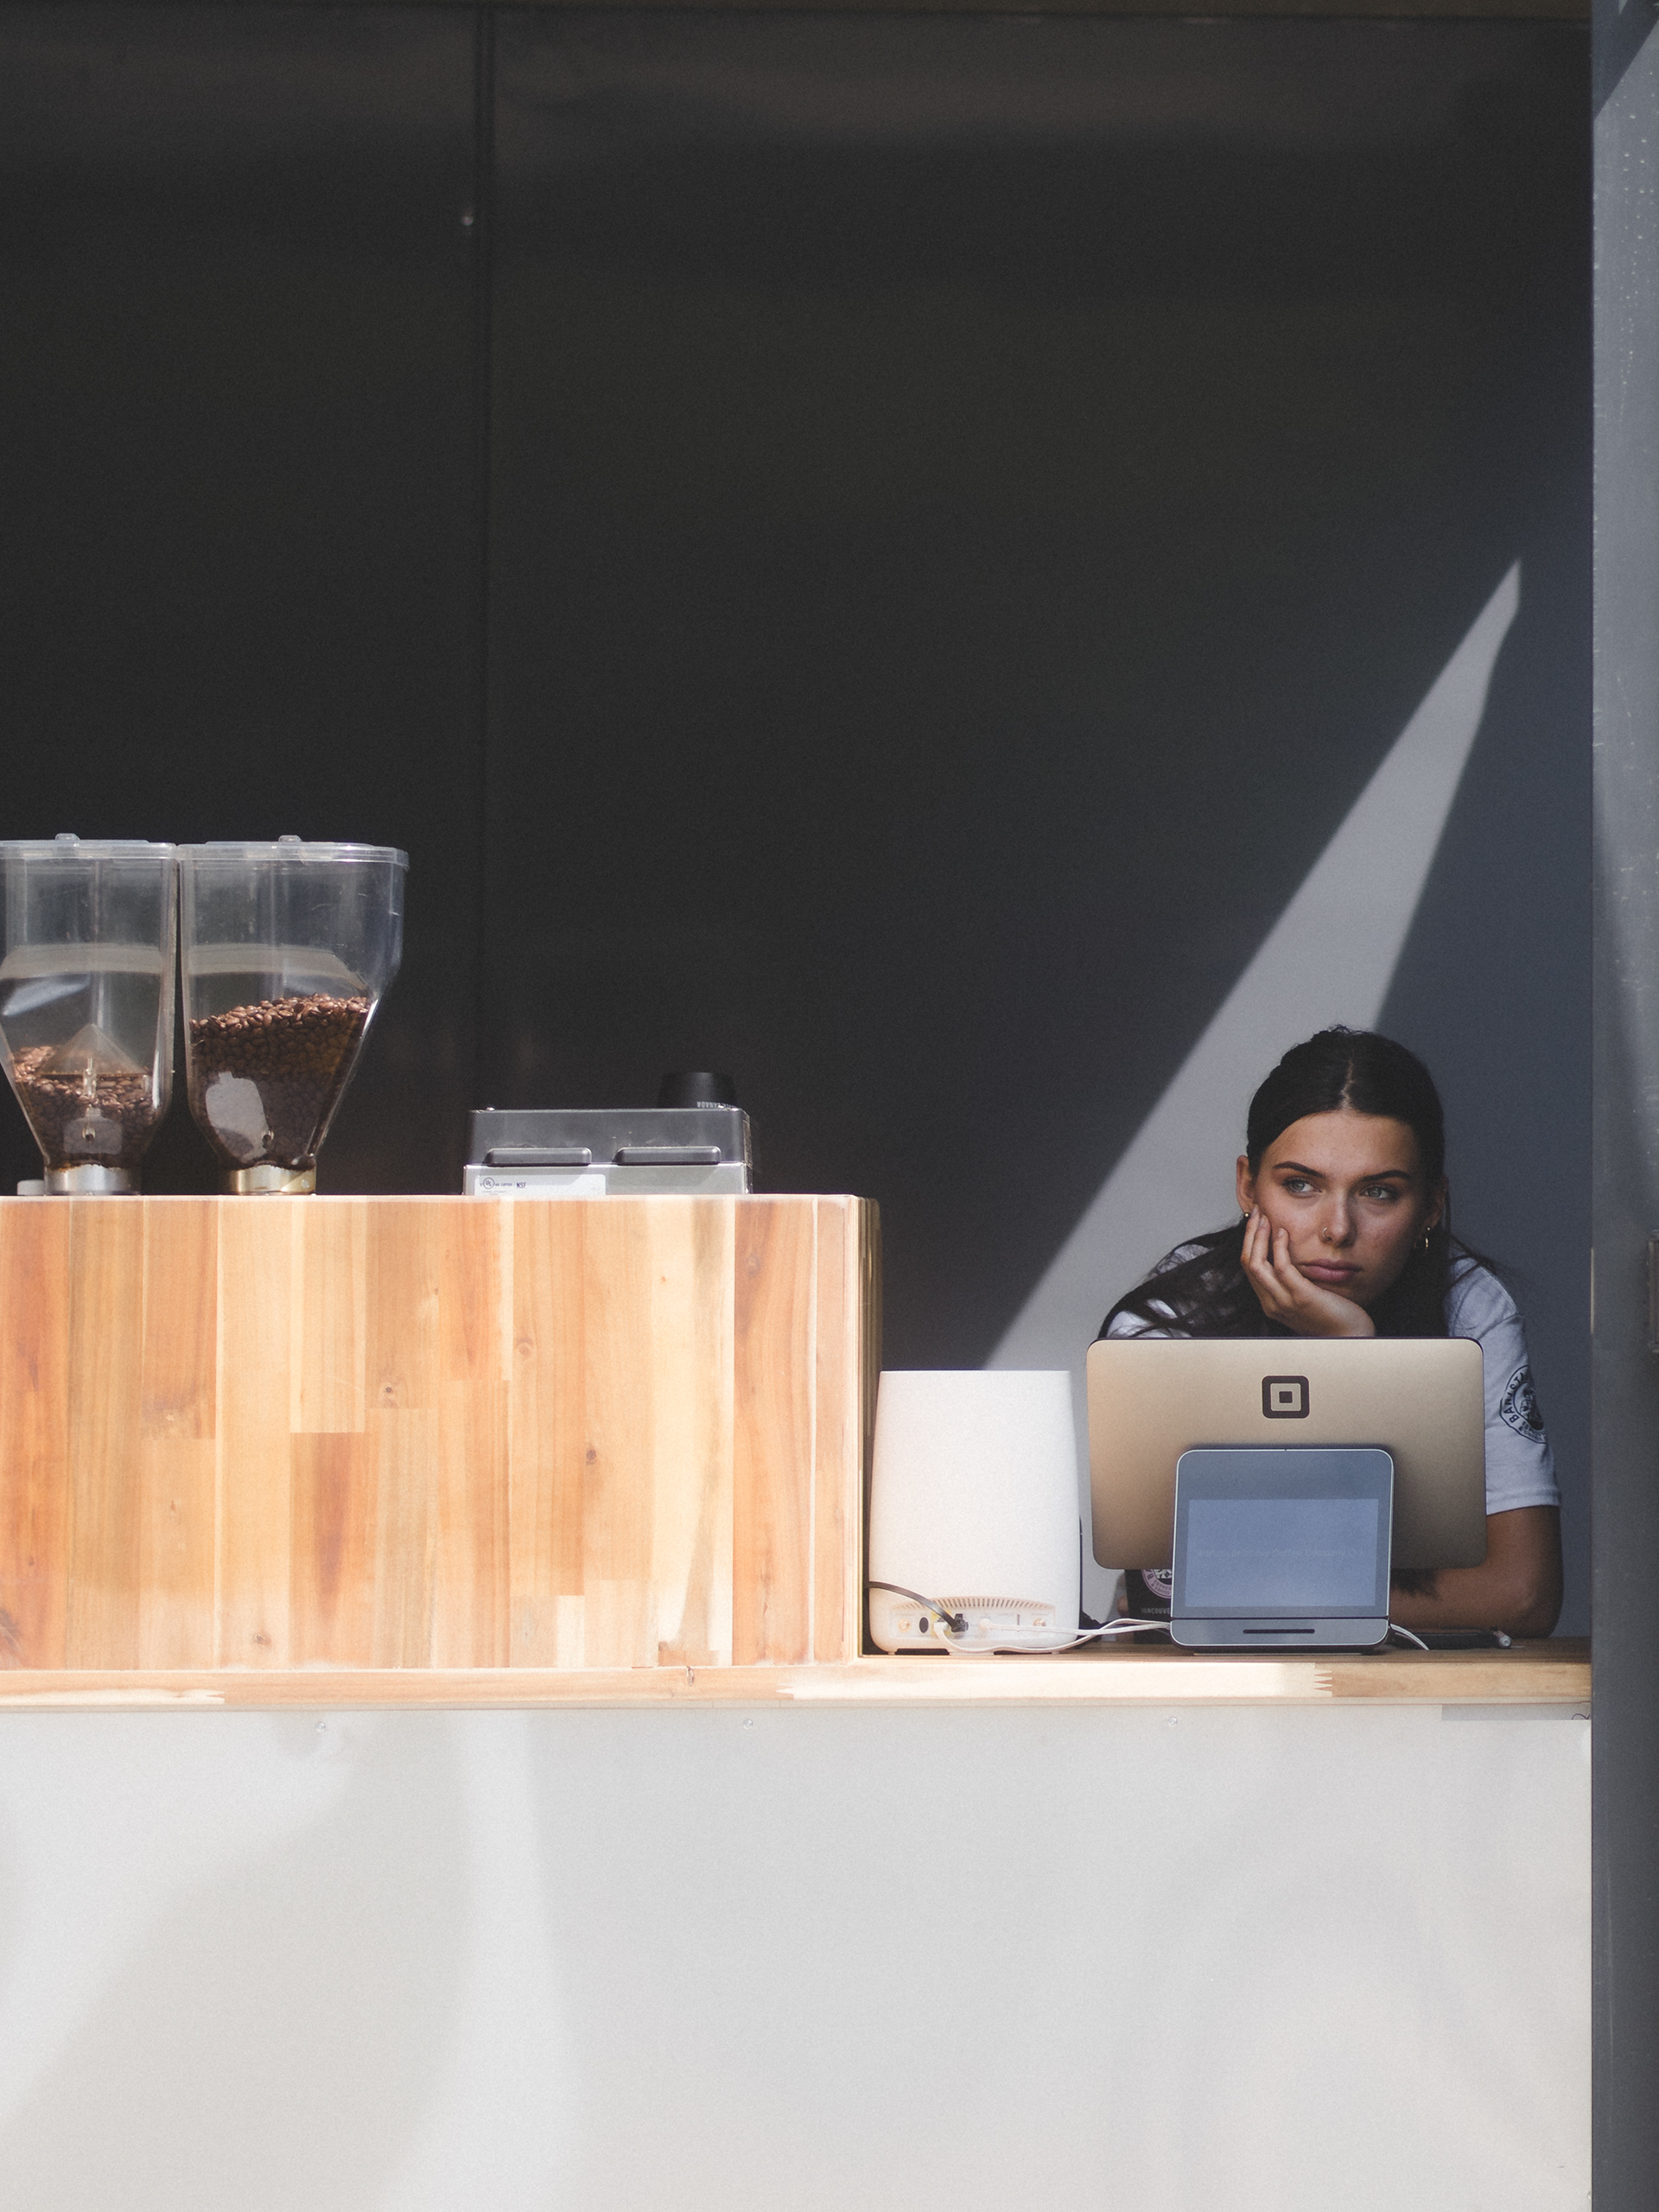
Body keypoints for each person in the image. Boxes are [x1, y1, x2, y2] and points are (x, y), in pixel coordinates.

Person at [1099, 1027, 1562, 1637]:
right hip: (1202, 1679)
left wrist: (1353, 1352)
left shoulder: (1469, 1309)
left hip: (1413, 1683)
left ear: (1431, 1206)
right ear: (1248, 1187)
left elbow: (1524, 1595)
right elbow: (1166, 1593)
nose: (1337, 1228)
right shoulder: (1178, 1318)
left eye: (1379, 1192)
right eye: (1301, 1185)